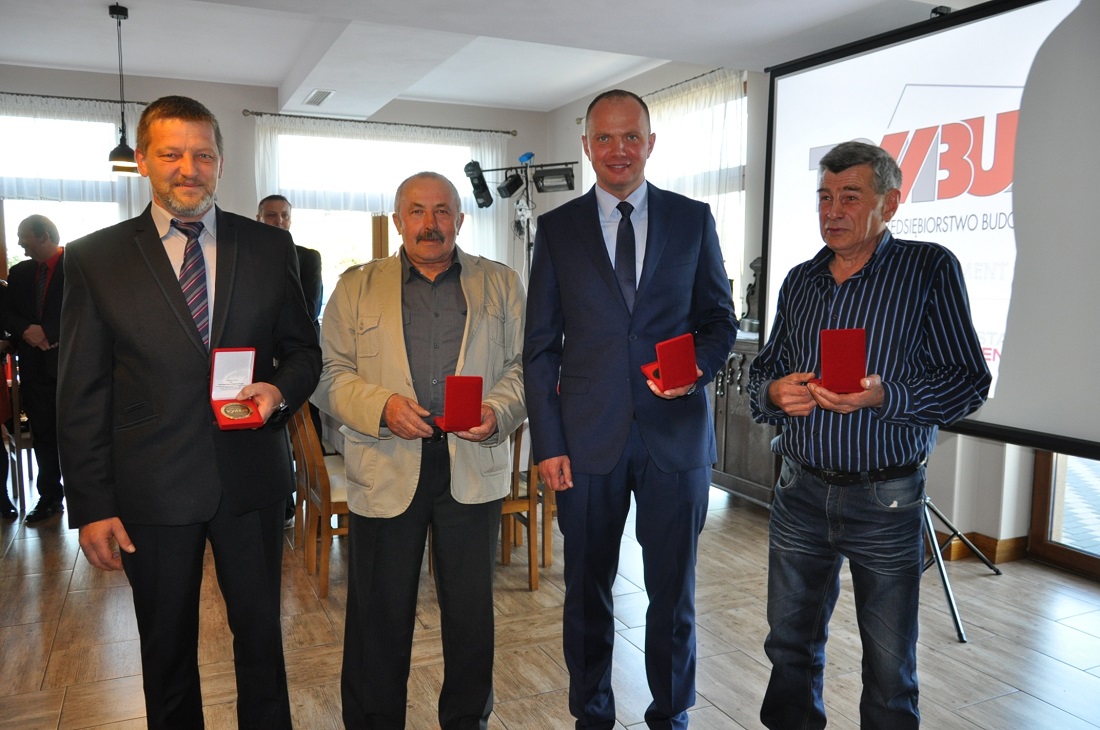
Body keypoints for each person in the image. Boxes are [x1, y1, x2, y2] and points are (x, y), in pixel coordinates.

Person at [57, 95, 321, 729]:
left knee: (261, 641)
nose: (188, 168)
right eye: (171, 153)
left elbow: (303, 352)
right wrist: (91, 505)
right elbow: (81, 392)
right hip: (150, 489)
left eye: (203, 154)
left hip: (250, 480)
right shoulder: (95, 258)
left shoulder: (269, 247)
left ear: (221, 162)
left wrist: (278, 392)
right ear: (143, 159)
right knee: (166, 650)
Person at [748, 140, 991, 729]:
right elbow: (764, 372)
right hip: (800, 491)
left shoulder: (929, 270)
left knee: (888, 665)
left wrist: (886, 395)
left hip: (886, 498)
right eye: (824, 197)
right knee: (788, 647)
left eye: (850, 197)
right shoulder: (800, 281)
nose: (832, 211)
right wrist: (774, 393)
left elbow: (967, 382)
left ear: (891, 203)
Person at [523, 90, 738, 729]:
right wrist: (549, 444)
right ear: (587, 146)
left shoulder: (692, 219)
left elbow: (719, 321)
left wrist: (695, 369)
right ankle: (592, 715)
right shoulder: (557, 229)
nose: (619, 149)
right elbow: (540, 348)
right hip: (586, 442)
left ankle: (671, 714)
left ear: (650, 142)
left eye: (631, 136)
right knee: (587, 593)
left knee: (673, 594)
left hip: (676, 436)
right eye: (605, 138)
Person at [312, 171, 525, 728]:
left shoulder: (501, 283)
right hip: (386, 461)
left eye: (442, 211)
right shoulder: (356, 286)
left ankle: (467, 721)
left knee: (470, 615)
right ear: (397, 220)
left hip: (471, 462)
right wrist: (381, 406)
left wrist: (498, 411)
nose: (430, 224)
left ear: (460, 219)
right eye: (417, 211)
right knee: (377, 615)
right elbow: (327, 373)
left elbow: (524, 365)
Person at [3, 214, 65, 523]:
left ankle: (94, 499)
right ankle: (50, 497)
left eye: (23, 236)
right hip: (35, 370)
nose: (19, 243)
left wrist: (48, 332)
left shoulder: (79, 266)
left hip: (72, 368)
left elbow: (87, 310)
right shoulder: (19, 273)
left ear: (43, 236)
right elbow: (5, 312)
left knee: (83, 436)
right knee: (43, 436)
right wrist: (26, 330)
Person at [256, 194, 323, 329]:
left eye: (285, 215)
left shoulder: (309, 258)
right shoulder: (247, 256)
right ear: (259, 219)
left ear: (290, 220)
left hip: (299, 338)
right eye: (271, 215)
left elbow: (310, 311)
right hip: (258, 337)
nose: (279, 220)